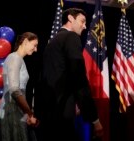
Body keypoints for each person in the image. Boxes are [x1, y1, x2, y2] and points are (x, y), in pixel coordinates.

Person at [34, 8, 103, 141]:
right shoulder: (71, 37)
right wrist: (94, 119)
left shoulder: (52, 43)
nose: (85, 26)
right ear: (71, 18)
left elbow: (44, 79)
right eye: (82, 21)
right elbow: (79, 79)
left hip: (47, 115)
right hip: (63, 114)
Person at [0, 32, 39, 141]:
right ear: (26, 42)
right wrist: (29, 113)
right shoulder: (15, 58)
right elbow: (14, 90)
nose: (36, 49)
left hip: (16, 109)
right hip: (11, 111)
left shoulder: (17, 59)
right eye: (35, 45)